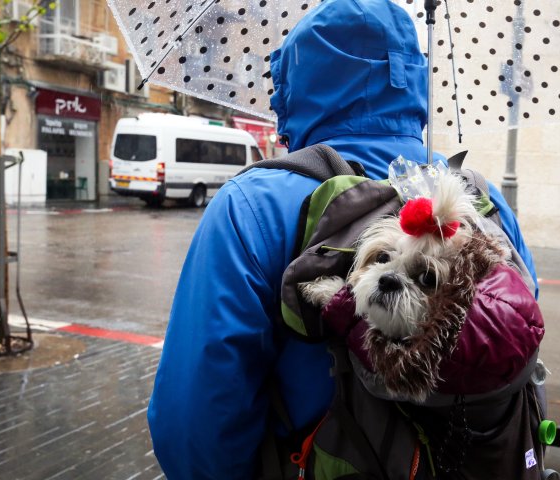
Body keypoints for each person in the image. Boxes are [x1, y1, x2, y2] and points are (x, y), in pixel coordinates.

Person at [147, 1, 538, 478]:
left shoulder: (251, 205)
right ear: (412, 76)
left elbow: (196, 422)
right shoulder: (479, 198)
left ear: (295, 81)